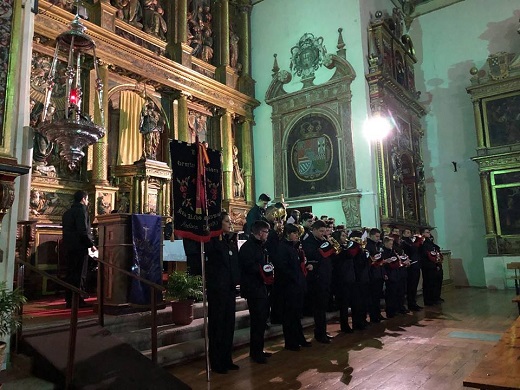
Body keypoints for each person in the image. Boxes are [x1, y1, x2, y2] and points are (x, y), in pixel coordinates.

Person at [204, 212, 240, 374]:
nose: (230, 223)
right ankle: (217, 361)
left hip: (230, 289)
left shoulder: (229, 242)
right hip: (218, 290)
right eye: (226, 221)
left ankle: (227, 358)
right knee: (217, 326)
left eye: (230, 221)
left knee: (228, 325)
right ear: (219, 224)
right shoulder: (213, 243)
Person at [239, 220, 272, 364]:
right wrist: (263, 270)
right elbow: (249, 267)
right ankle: (255, 353)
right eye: (266, 232)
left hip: (261, 287)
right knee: (257, 321)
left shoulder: (260, 246)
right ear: (260, 233)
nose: (267, 235)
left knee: (262, 320)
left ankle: (259, 349)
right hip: (253, 288)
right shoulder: (248, 247)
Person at [272, 223, 310, 351]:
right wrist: (295, 278)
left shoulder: (293, 247)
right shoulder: (282, 247)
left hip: (296, 285)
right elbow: (283, 268)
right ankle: (290, 341)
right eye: (295, 233)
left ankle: (299, 338)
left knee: (297, 314)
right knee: (289, 316)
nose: (297, 236)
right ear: (288, 234)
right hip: (288, 286)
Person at [62, 190, 96, 308]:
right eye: (87, 199)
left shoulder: (67, 212)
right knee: (80, 273)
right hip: (80, 247)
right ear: (83, 199)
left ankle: (69, 299)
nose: (87, 202)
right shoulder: (81, 210)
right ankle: (78, 300)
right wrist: (91, 244)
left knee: (70, 273)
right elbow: (83, 230)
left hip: (69, 247)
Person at [302, 220, 332, 344]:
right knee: (319, 308)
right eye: (320, 231)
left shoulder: (323, 241)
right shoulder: (308, 242)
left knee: (323, 307)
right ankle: (320, 333)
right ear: (314, 230)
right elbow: (313, 256)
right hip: (316, 279)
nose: (323, 234)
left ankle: (323, 331)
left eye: (324, 231)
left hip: (325, 277)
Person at [365, 228, 386, 323]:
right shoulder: (368, 246)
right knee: (373, 297)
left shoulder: (378, 245)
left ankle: (377, 313)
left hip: (379, 273)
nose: (378, 238)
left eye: (379, 236)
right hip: (372, 274)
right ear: (371, 235)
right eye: (376, 236)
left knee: (377, 296)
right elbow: (370, 260)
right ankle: (373, 316)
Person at [420, 228, 444, 305]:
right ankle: (428, 300)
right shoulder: (422, 243)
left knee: (436, 282)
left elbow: (435, 249)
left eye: (429, 232)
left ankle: (435, 297)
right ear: (423, 234)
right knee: (428, 283)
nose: (429, 233)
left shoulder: (430, 242)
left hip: (434, 264)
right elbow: (425, 253)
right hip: (427, 266)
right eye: (427, 232)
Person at [401, 228, 423, 311]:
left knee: (414, 286)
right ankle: (411, 303)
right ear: (403, 234)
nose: (409, 233)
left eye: (409, 232)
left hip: (416, 266)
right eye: (407, 232)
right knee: (411, 286)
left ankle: (413, 302)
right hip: (411, 267)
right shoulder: (404, 242)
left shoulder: (411, 242)